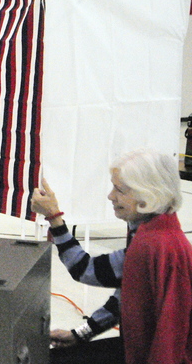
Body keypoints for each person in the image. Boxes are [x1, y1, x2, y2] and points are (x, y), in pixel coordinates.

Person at [31, 149, 192, 364]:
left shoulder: (153, 244)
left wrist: (54, 218)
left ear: (148, 194)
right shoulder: (155, 231)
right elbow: (124, 297)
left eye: (119, 189)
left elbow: (84, 269)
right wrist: (81, 334)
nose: (110, 196)